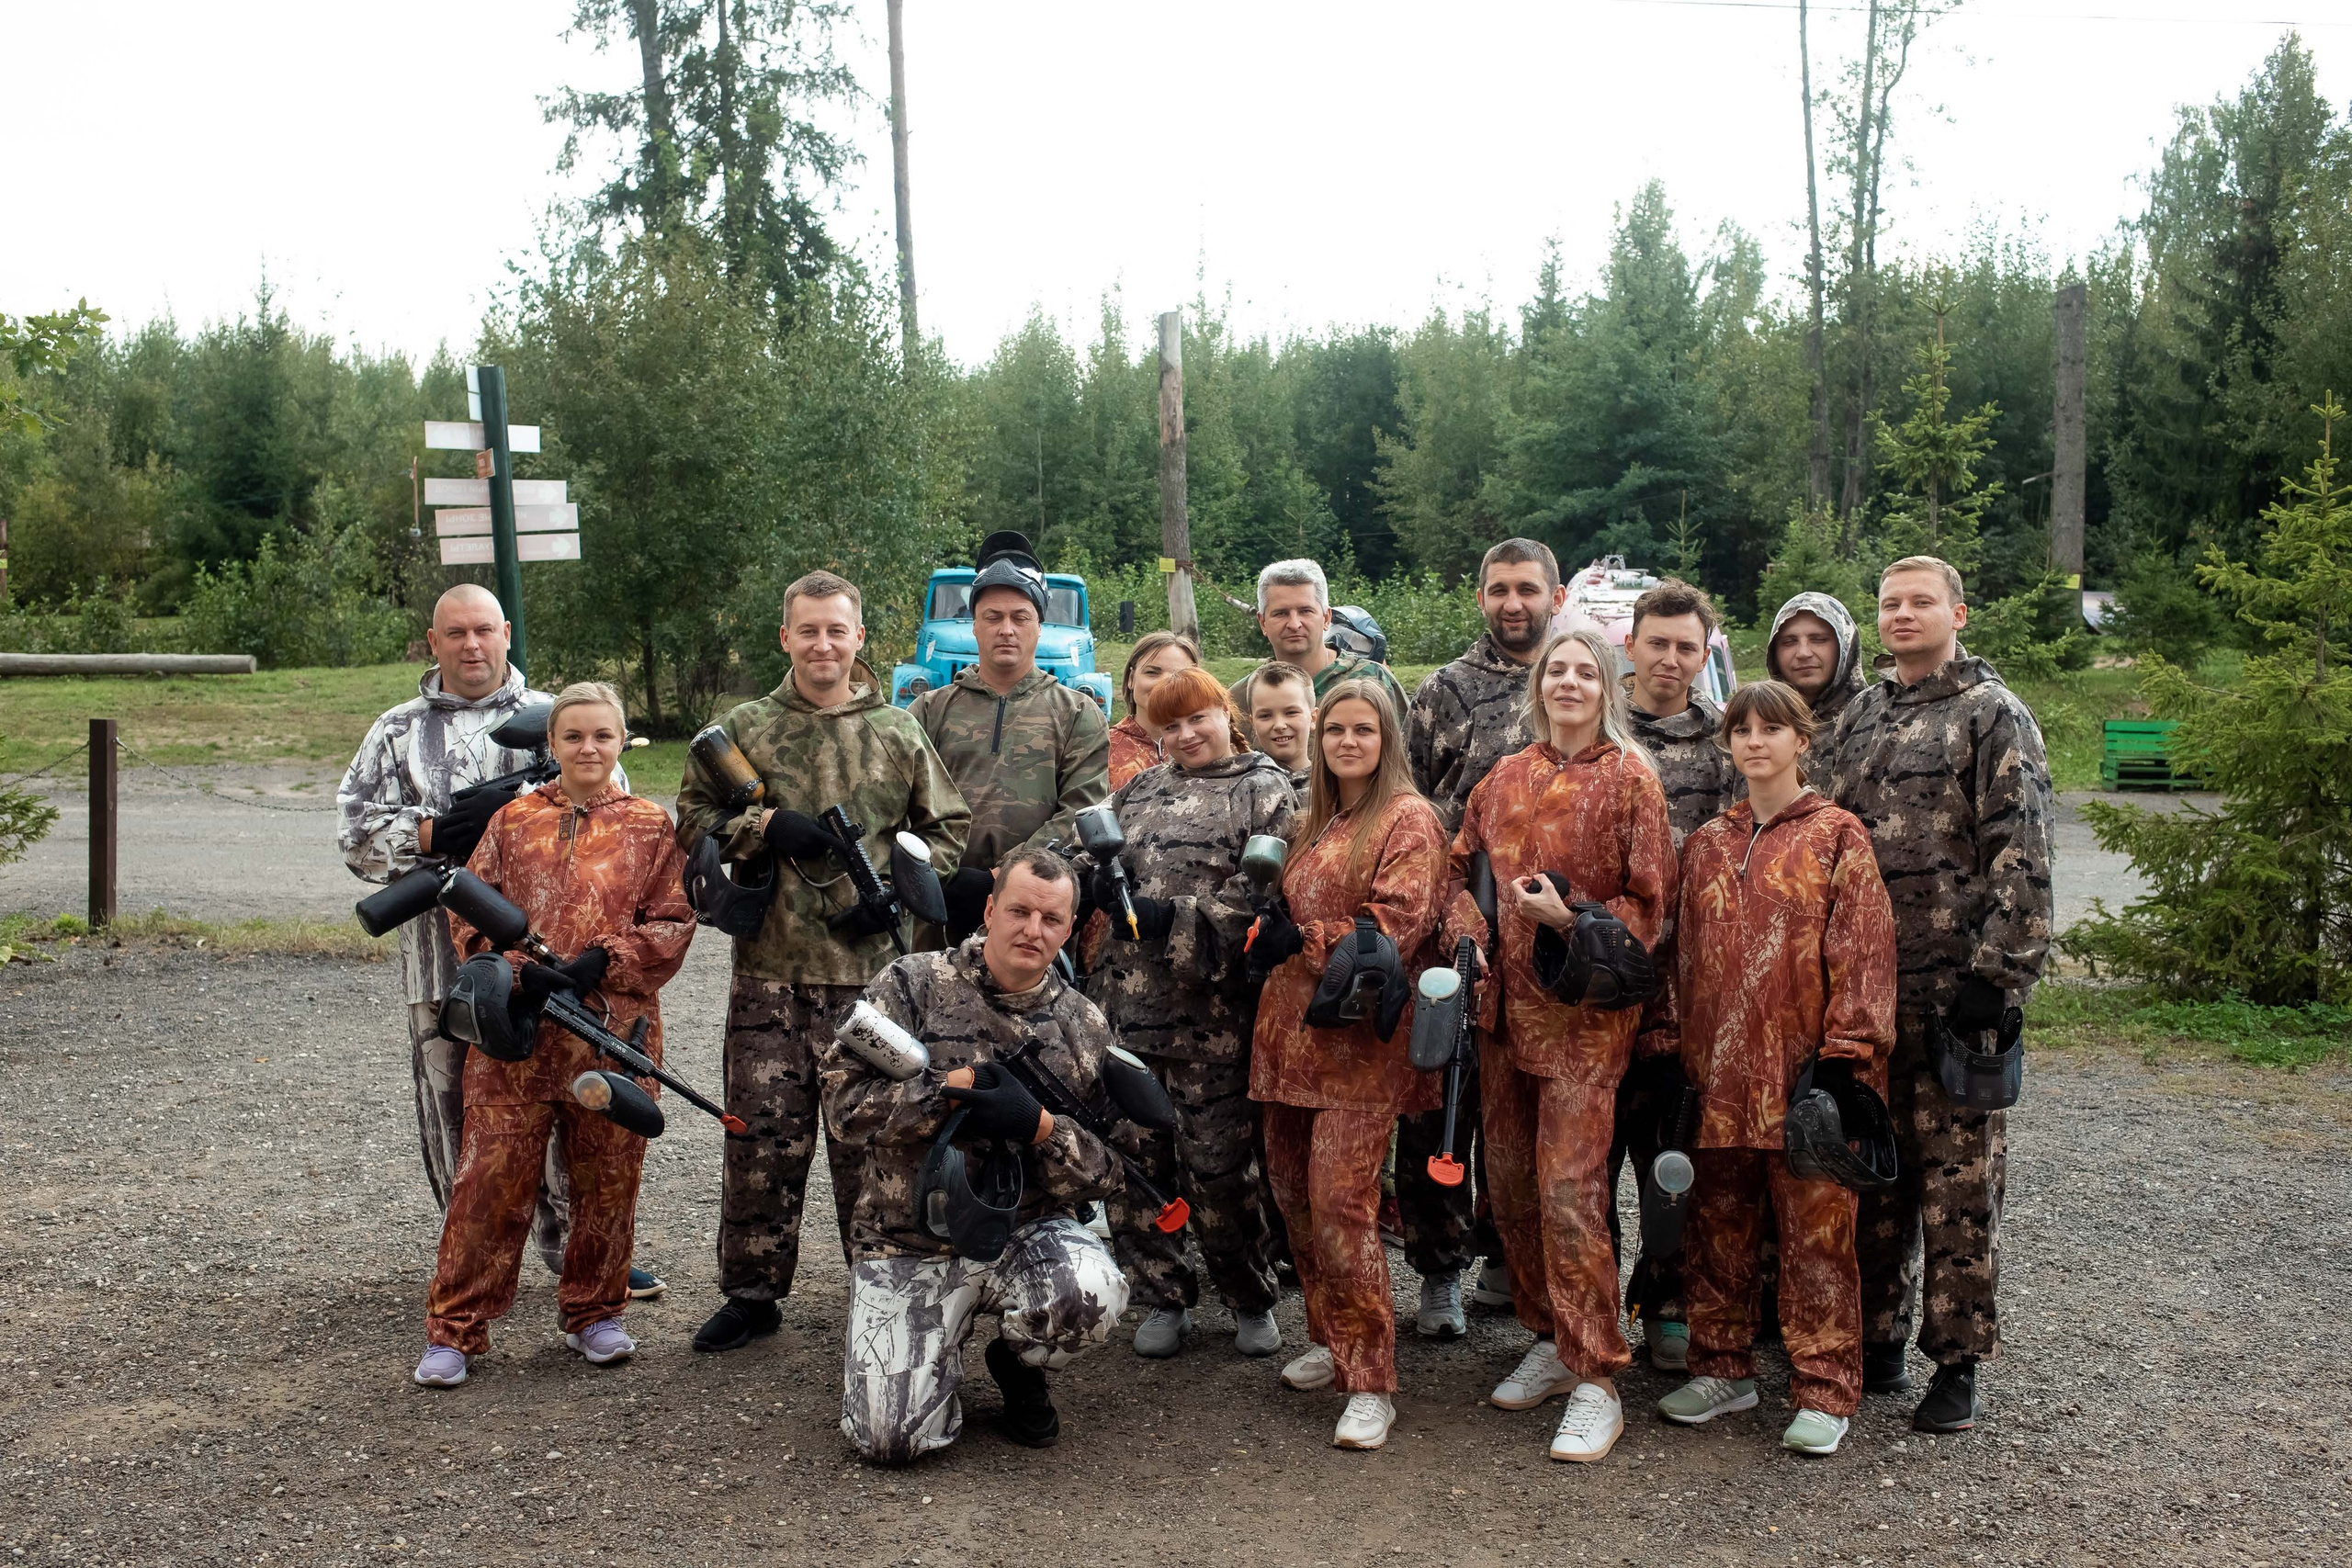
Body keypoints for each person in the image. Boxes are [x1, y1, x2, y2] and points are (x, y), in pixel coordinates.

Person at [674, 570, 971, 1355]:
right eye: (808, 630)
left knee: (869, 1144)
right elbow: (695, 818)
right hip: (770, 969)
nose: (822, 644)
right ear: (786, 637)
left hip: (870, 977)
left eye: (837, 630)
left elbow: (947, 827)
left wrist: (903, 892)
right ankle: (752, 1291)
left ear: (859, 638)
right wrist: (766, 828)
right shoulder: (746, 727)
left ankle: (875, 1284)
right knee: (761, 1139)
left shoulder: (899, 731)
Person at [340, 584, 655, 1296]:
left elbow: (617, 813)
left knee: (573, 1100)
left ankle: (584, 1254)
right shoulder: (396, 730)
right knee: (458, 1116)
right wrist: (433, 833)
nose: (471, 645)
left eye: (484, 629)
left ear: (506, 632)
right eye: (456, 633)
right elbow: (354, 836)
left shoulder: (557, 718)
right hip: (443, 965)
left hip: (554, 959)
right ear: (434, 641)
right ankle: (474, 1264)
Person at [1828, 556, 2055, 1433]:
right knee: (1872, 1173)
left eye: (1921, 601)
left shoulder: (1992, 714)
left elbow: (2023, 847)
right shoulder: (1862, 716)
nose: (1903, 615)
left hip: (1957, 996)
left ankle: (1956, 1361)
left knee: (1958, 1185)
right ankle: (1878, 1335)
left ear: (1957, 611)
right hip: (1868, 994)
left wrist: (1998, 978)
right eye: (1889, 604)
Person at [414, 682, 694, 1385]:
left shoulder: (650, 825)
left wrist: (606, 959)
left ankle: (597, 1313)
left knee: (607, 1178)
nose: (588, 748)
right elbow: (469, 915)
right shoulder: (512, 822)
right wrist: (516, 972)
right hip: (515, 1035)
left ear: (622, 741)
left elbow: (673, 922)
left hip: (612, 1033)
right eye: (574, 736)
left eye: (603, 735)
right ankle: (455, 1330)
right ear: (552, 743)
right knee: (488, 1182)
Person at [1442, 625, 1675, 1462]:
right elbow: (1458, 870)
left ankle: (1597, 1377)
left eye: (1586, 671)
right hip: (1503, 1019)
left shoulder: (1632, 783)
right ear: (1537, 685)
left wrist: (1570, 919)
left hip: (1583, 1022)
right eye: (1557, 671)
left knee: (1571, 1194)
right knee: (1512, 1193)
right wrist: (1468, 931)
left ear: (1606, 687)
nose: (1569, 681)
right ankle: (1548, 1331)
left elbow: (1652, 909)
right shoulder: (1503, 777)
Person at [821, 850, 1131, 1463]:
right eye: (1018, 911)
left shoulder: (1084, 1025)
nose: (1032, 930)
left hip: (1022, 1233)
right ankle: (933, 1356)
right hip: (909, 1237)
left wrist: (1043, 1127)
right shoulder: (910, 984)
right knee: (890, 1442)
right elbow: (842, 1106)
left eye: (1050, 918)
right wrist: (944, 1093)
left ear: (1069, 928)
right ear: (990, 910)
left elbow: (1115, 1168)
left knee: (1090, 1293)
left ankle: (1016, 1361)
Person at [1657, 680, 1895, 1456]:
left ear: (1802, 739)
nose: (1755, 742)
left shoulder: (1837, 835)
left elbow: (1863, 955)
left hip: (1807, 1084)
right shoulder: (1706, 844)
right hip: (1717, 1078)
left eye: (1772, 728)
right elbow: (1679, 962)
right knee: (1716, 1229)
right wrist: (1674, 1054)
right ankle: (1723, 1366)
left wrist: (1845, 1062)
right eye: (1742, 729)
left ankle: (1825, 1387)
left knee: (1817, 1238)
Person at [1248, 682, 1447, 1450]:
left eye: (1364, 728)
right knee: (1295, 1198)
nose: (1348, 740)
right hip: (1289, 1041)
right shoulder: (1313, 816)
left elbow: (1395, 927)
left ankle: (1371, 1380)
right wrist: (1272, 927)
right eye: (1336, 728)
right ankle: (1332, 1340)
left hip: (1362, 1048)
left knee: (1343, 1205)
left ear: (1387, 737)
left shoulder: (1408, 818)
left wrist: (1300, 937)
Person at [1087, 663, 1295, 1359]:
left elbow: (1258, 893)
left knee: (1220, 1168)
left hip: (1214, 1018)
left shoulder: (1263, 787)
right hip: (1129, 1012)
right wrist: (1084, 880)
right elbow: (1083, 850)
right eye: (1168, 724)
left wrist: (1167, 918)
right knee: (1138, 1161)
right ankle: (1162, 1294)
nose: (1185, 733)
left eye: (1196, 717)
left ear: (1223, 711)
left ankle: (1248, 1293)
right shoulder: (1143, 785)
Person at [1399, 538, 1566, 1331]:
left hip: (1547, 940)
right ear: (1481, 598)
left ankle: (1511, 1261)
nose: (1513, 603)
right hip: (1454, 928)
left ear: (1555, 596)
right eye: (1498, 589)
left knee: (1523, 1107)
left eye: (1527, 589)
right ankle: (1439, 1274)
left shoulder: (1574, 683)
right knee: (1439, 1105)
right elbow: (1412, 805)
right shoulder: (1445, 691)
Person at [1613, 579, 1743, 1373]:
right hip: (1594, 988)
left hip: (1680, 996)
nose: (1669, 658)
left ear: (1704, 655)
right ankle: (1584, 1315)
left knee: (1670, 1160)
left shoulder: (1726, 746)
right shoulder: (1591, 727)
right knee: (1584, 1166)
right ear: (1630, 643)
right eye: (1656, 642)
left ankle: (1666, 1306)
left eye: (1685, 646)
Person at [908, 536, 1110, 942]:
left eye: (1020, 617)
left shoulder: (1077, 714)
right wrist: (932, 872)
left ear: (1039, 626)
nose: (1006, 630)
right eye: (993, 616)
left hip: (1031, 909)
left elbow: (1082, 811)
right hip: (938, 900)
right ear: (974, 625)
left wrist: (1005, 877)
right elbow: (901, 803)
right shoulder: (929, 709)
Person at [1226, 558, 1408, 725]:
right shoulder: (1242, 697)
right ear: (1263, 622)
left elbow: (1408, 753)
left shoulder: (1375, 680)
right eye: (1281, 613)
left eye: (1306, 611)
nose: (1294, 624)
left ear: (1326, 618)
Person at [1764, 592, 1865, 790]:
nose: (1803, 653)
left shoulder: (1873, 719)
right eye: (1789, 642)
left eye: (1818, 639)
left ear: (1844, 646)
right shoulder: (1756, 724)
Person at [1107, 632, 1200, 790]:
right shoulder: (1103, 748)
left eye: (1179, 675)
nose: (1164, 683)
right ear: (1131, 678)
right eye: (1152, 672)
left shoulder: (1206, 744)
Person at [1242, 661, 1315, 783]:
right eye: (1265, 716)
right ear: (1253, 723)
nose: (1279, 725)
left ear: (1313, 717)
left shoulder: (1333, 783)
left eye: (1291, 713)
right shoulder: (1241, 785)